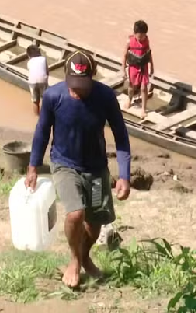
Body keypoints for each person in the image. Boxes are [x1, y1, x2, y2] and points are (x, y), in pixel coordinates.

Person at [25, 50, 131, 288]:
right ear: (66, 77)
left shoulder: (105, 97)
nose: (77, 90)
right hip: (65, 164)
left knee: (95, 221)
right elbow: (41, 133)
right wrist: (32, 166)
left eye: (83, 85)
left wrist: (124, 174)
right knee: (75, 213)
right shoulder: (54, 97)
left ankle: (84, 255)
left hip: (95, 168)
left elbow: (121, 136)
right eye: (73, 85)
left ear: (92, 78)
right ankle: (74, 260)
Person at [122, 19, 155, 119]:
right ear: (135, 34)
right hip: (133, 67)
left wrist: (152, 66)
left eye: (143, 36)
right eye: (139, 36)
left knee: (143, 88)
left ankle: (143, 109)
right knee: (132, 86)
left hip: (143, 67)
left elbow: (149, 55)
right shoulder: (130, 41)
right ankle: (129, 99)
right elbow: (124, 55)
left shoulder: (146, 41)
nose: (141, 38)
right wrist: (123, 69)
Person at [26, 44, 49, 116]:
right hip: (43, 80)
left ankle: (36, 116)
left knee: (35, 101)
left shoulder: (29, 62)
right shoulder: (43, 59)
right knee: (45, 99)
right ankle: (45, 116)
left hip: (32, 81)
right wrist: (46, 80)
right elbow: (47, 71)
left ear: (29, 55)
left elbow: (31, 71)